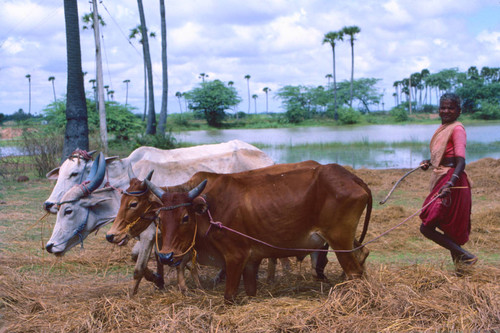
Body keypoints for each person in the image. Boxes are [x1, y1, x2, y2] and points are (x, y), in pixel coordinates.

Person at [419, 92, 477, 270]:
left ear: (458, 111)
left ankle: (466, 256)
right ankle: (461, 271)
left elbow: (461, 161)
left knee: (426, 227)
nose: (446, 111)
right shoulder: (443, 128)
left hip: (453, 181)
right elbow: (445, 155)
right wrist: (429, 162)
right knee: (448, 228)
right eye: (443, 107)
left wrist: (450, 183)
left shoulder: (457, 129)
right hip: (443, 176)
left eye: (451, 107)